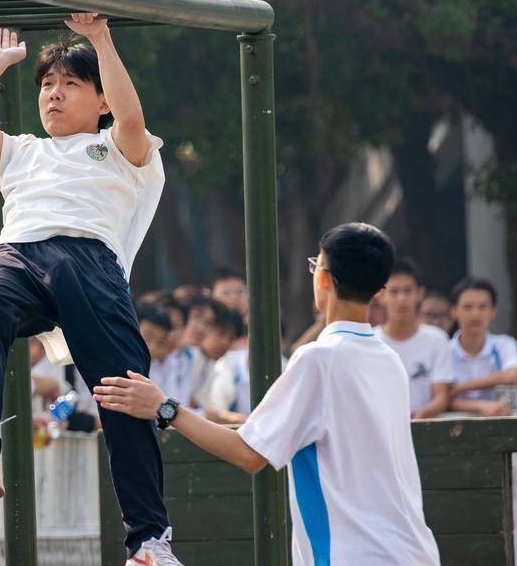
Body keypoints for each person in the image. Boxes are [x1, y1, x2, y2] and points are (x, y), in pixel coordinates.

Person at [0, 15, 176, 564]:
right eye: (47, 84)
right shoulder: (20, 150)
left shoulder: (119, 148)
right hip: (18, 255)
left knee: (122, 389)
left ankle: (149, 539)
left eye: (70, 84)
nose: (54, 94)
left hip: (88, 261)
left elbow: (132, 116)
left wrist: (101, 39)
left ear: (100, 100)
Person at [95, 223, 440, 565]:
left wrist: (163, 407)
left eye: (314, 265)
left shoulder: (318, 359)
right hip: (416, 552)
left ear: (323, 279)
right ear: (380, 290)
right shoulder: (390, 361)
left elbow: (249, 454)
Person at [375, 259, 454, 418]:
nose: (402, 298)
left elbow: (442, 395)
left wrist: (421, 414)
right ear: (381, 295)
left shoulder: (437, 340)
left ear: (420, 293)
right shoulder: (370, 341)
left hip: (425, 426)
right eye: (394, 291)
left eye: (408, 291)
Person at [447, 277, 517, 416]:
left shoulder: (504, 344)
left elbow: (512, 375)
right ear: (454, 311)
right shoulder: (445, 351)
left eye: (483, 307)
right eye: (468, 307)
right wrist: (481, 406)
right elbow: (443, 399)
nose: (475, 313)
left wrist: (460, 387)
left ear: (493, 311)